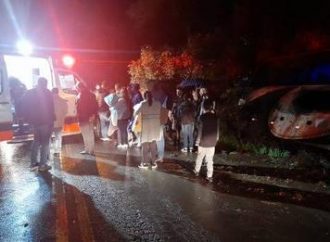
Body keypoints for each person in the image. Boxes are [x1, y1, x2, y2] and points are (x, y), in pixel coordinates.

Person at [20, 77, 55, 171]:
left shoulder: (29, 92)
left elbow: (22, 104)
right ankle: (43, 165)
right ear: (45, 84)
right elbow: (51, 108)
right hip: (45, 121)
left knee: (36, 141)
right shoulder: (48, 93)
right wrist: (52, 121)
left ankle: (33, 163)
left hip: (34, 122)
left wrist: (26, 118)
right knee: (45, 143)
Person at [193, 99, 219, 182]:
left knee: (200, 157)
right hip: (212, 142)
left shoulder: (202, 117)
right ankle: (209, 175)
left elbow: (200, 130)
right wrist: (216, 139)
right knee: (210, 160)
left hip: (203, 142)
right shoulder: (216, 117)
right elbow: (217, 130)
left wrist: (197, 141)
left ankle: (197, 170)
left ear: (203, 107)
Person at [135, 91, 162, 169]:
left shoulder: (143, 104)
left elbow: (136, 113)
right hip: (155, 127)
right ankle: (154, 163)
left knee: (145, 146)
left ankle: (145, 163)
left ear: (145, 97)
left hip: (146, 127)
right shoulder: (158, 103)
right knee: (153, 145)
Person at [76, 82, 98, 155]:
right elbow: (95, 106)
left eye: (77, 88)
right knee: (90, 133)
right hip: (89, 117)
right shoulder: (91, 94)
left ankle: (87, 149)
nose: (76, 89)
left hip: (83, 118)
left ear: (80, 88)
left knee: (85, 134)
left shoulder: (79, 95)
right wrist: (93, 115)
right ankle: (90, 150)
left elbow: (78, 108)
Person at [52, 88, 68, 155]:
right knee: (58, 135)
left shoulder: (49, 101)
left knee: (52, 136)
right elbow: (65, 111)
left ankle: (53, 149)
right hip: (60, 121)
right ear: (58, 92)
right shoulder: (63, 100)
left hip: (51, 121)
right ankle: (57, 150)